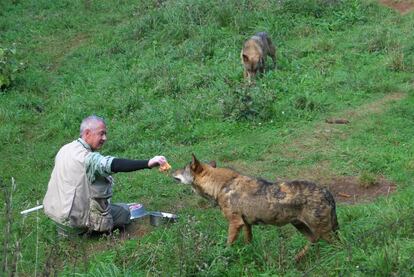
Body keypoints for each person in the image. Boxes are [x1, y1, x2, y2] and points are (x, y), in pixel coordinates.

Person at [43, 115, 168, 235]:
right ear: (87, 133)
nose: (105, 138)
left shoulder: (65, 149)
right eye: (101, 133)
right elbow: (114, 164)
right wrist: (148, 163)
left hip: (57, 218)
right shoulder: (87, 159)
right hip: (76, 223)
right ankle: (84, 231)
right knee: (124, 211)